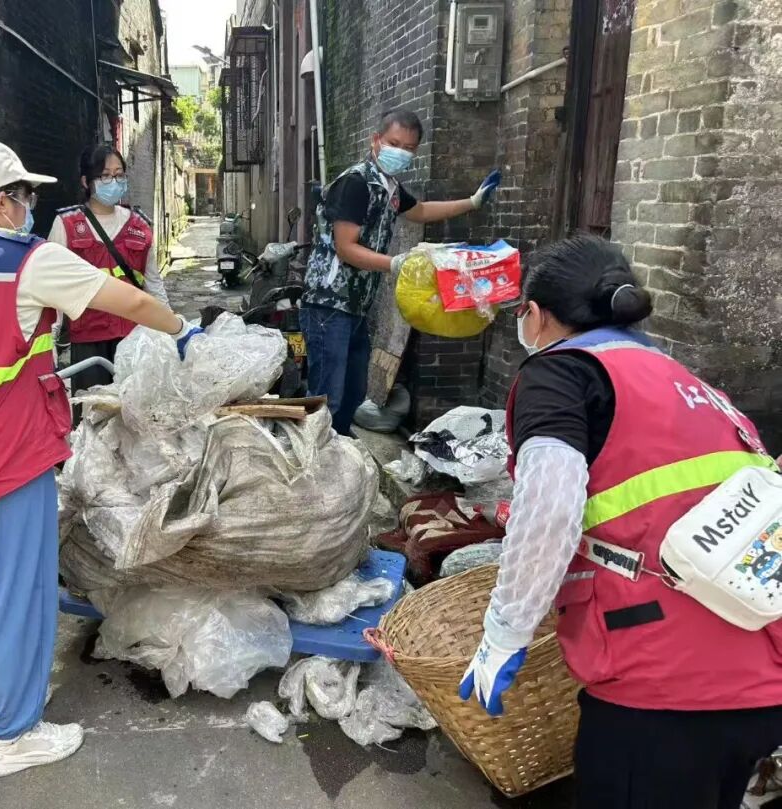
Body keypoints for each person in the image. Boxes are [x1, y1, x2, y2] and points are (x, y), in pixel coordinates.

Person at [0, 137, 200, 778]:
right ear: (6, 202)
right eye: (27, 195)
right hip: (7, 455)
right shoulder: (25, 260)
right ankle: (13, 737)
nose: (33, 206)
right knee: (20, 592)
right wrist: (184, 330)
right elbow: (130, 303)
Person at [458, 234, 782, 808]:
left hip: (662, 686)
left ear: (534, 315)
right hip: (759, 680)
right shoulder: (695, 387)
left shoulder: (561, 373)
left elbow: (550, 507)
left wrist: (502, 636)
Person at [302, 109, 501, 435]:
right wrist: (394, 263)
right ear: (375, 141)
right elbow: (345, 247)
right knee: (327, 400)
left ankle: (336, 460)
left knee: (352, 395)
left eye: (408, 147)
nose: (400, 151)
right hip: (328, 304)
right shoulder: (356, 183)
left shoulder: (389, 187)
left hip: (354, 307)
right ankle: (315, 467)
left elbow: (420, 211)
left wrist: (472, 202)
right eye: (394, 143)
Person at [48, 144, 169, 402]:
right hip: (88, 342)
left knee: (136, 414)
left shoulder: (140, 225)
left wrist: (169, 330)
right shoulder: (67, 225)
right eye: (105, 176)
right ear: (86, 181)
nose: (113, 181)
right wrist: (50, 344)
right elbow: (53, 290)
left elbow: (153, 284)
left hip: (134, 339)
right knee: (94, 418)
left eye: (119, 174)